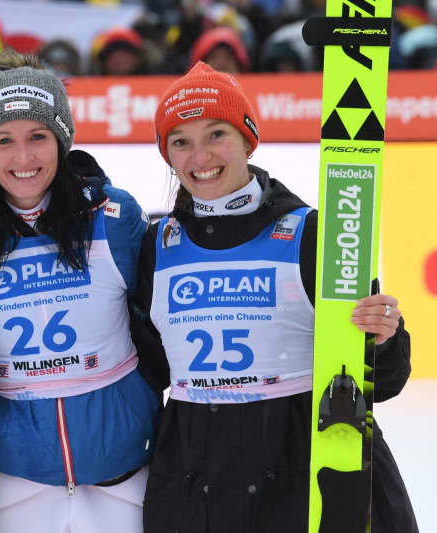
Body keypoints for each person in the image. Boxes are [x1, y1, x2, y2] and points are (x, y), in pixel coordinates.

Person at [135, 61, 419, 532]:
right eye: (180, 141)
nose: (199, 156)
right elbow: (148, 367)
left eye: (215, 134)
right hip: (197, 477)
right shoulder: (157, 244)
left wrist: (385, 335)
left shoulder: (312, 232)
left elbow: (383, 380)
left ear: (248, 139)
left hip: (304, 470)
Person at [0, 51, 161, 533]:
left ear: (62, 140)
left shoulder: (115, 217)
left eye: (38, 137)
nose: (23, 158)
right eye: (4, 141)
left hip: (123, 468)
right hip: (14, 474)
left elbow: (169, 314)